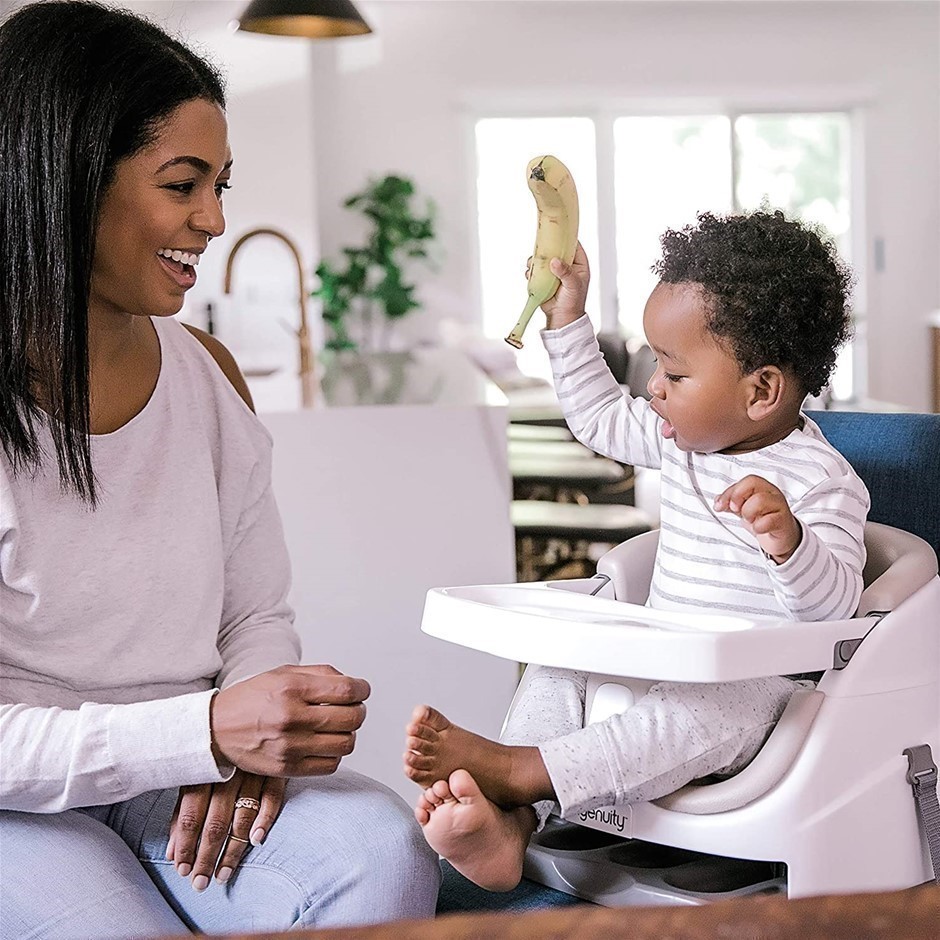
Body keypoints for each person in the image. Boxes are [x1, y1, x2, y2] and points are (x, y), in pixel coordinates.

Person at [0, 3, 439, 937]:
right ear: (66, 176)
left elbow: (254, 614)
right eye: (182, 184)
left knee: (382, 851)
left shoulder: (207, 373)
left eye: (220, 184)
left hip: (181, 769)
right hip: (15, 800)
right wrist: (201, 732)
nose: (214, 220)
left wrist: (254, 735)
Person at [403, 210, 869, 894]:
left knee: (716, 706)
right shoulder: (681, 441)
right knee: (559, 664)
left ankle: (522, 771)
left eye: (674, 374)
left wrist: (789, 543)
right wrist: (567, 318)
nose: (653, 387)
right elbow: (597, 417)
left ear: (762, 391)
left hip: (756, 693)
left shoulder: (821, 481)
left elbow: (836, 612)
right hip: (657, 657)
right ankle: (512, 823)